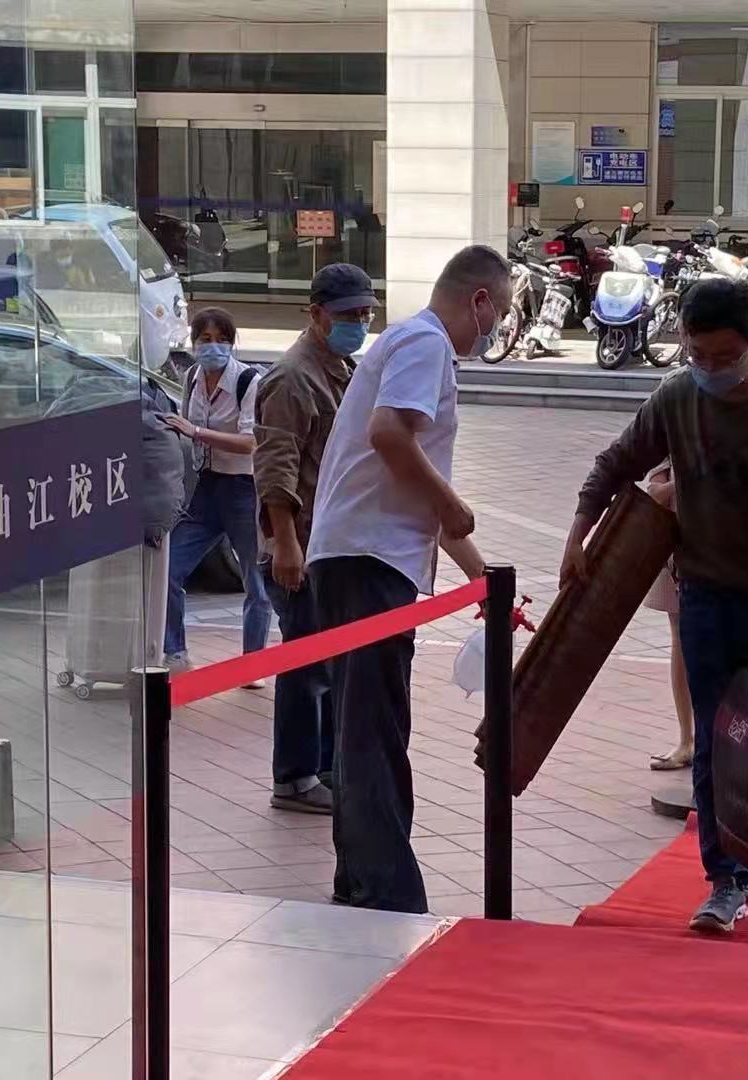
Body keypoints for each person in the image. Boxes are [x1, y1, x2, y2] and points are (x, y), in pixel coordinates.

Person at [561, 278, 748, 936]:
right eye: (698, 355)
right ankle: (724, 877)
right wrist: (577, 534)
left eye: (725, 357)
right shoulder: (676, 396)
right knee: (714, 744)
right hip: (703, 595)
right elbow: (615, 462)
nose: (710, 369)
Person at [307, 245, 507, 913]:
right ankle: (386, 892)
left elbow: (412, 488)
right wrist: (451, 502)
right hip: (366, 562)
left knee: (363, 726)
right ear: (479, 300)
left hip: (357, 555)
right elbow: (391, 435)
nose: (498, 328)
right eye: (501, 312)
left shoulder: (407, 341)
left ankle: (361, 880)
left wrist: (483, 580)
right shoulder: (425, 344)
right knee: (373, 730)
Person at [252, 264, 377, 815]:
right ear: (317, 314)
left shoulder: (341, 370)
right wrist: (285, 544)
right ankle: (295, 778)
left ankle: (325, 769)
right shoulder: (292, 378)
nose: (359, 323)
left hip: (327, 543)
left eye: (365, 313)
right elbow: (275, 467)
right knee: (305, 668)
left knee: (325, 664)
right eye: (349, 315)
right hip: (297, 546)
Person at [162, 308, 271, 684]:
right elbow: (182, 422)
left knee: (256, 580)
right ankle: (175, 652)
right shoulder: (192, 376)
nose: (213, 347)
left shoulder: (248, 381)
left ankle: (253, 664)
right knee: (169, 570)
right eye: (205, 340)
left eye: (221, 340)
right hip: (207, 486)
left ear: (232, 342)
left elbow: (251, 442)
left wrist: (196, 433)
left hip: (243, 488)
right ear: (193, 343)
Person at [644, 465, 693, 772]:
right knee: (680, 639)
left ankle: (709, 740)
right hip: (676, 551)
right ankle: (687, 739)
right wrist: (684, 481)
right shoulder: (672, 442)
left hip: (719, 555)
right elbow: (654, 493)